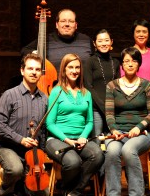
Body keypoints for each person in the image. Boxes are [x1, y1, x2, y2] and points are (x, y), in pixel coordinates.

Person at [45, 53, 104, 196]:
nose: (74, 71)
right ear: (64, 70)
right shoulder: (56, 91)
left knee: (98, 155)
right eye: (70, 67)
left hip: (80, 139)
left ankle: (74, 191)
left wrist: (83, 137)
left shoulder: (86, 93)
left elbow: (89, 121)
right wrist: (67, 140)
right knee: (73, 161)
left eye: (77, 67)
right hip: (58, 140)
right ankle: (65, 188)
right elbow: (50, 123)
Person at [104, 47, 150, 196]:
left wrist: (138, 127)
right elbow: (109, 113)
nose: (130, 64)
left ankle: (136, 193)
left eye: (134, 60)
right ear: (122, 65)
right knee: (112, 152)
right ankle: (113, 194)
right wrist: (113, 130)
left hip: (141, 133)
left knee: (128, 150)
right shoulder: (112, 86)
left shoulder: (147, 86)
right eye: (126, 61)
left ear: (139, 64)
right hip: (118, 132)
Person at [0, 53, 48, 196]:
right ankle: (4, 190)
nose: (34, 72)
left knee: (42, 192)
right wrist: (21, 139)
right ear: (22, 71)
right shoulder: (9, 95)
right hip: (8, 147)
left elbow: (42, 130)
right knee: (15, 169)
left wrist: (41, 158)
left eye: (37, 69)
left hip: (32, 154)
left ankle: (20, 184)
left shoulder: (44, 99)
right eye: (30, 69)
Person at [21, 8, 94, 71]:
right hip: (53, 86)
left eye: (71, 21)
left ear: (76, 25)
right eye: (63, 21)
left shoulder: (86, 40)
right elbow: (24, 51)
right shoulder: (46, 40)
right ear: (57, 25)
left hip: (82, 86)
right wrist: (35, 53)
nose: (67, 24)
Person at [84, 29, 120, 145]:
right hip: (96, 110)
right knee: (97, 143)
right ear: (94, 43)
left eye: (106, 40)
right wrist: (103, 107)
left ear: (111, 42)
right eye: (100, 41)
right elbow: (88, 86)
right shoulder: (90, 62)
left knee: (112, 143)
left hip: (113, 109)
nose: (103, 43)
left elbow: (118, 85)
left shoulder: (115, 62)